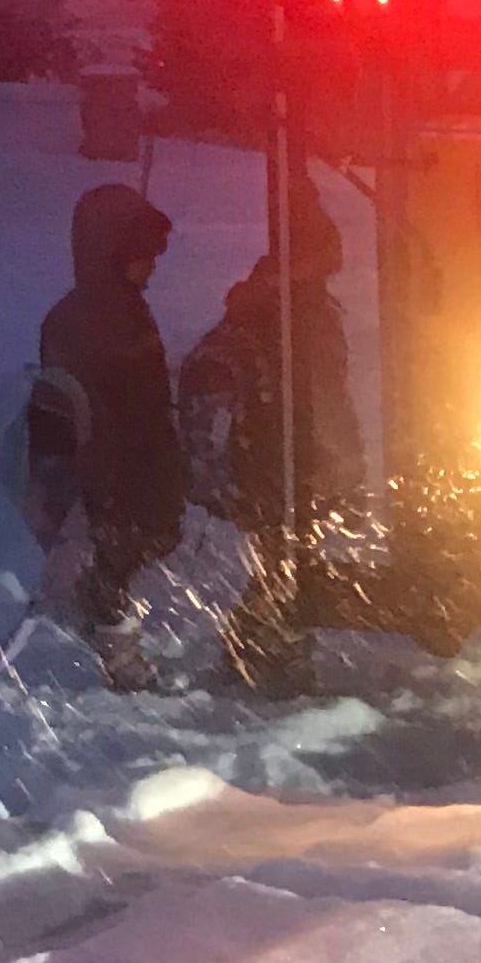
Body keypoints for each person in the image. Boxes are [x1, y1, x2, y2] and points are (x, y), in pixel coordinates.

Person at [177, 172, 362, 693]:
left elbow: (328, 395)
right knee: (285, 563)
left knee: (291, 562)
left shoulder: (305, 306)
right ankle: (258, 656)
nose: (334, 260)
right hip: (275, 461)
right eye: (325, 250)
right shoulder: (278, 308)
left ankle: (270, 650)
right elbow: (310, 395)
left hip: (300, 459)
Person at [24, 180, 182, 688]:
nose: (152, 265)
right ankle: (117, 648)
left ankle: (107, 615)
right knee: (122, 552)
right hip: (114, 471)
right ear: (112, 253)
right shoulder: (119, 321)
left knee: (126, 550)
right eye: (142, 254)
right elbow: (136, 409)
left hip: (94, 471)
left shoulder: (73, 314)